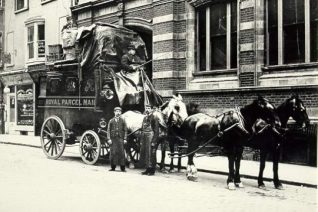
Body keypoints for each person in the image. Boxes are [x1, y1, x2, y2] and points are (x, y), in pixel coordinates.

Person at [140, 104, 160, 176]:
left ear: (151, 109)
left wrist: (154, 141)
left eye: (149, 108)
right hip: (145, 136)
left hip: (151, 136)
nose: (147, 109)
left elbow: (156, 130)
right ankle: (147, 169)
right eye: (146, 108)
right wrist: (142, 140)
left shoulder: (154, 117)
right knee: (146, 153)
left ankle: (152, 171)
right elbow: (142, 129)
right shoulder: (145, 118)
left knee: (151, 154)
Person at [107, 107, 127, 172]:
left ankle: (122, 168)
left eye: (119, 111)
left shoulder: (123, 120)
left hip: (120, 138)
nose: (118, 113)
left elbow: (125, 130)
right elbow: (108, 130)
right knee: (113, 152)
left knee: (121, 152)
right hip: (113, 139)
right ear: (114, 112)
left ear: (121, 113)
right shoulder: (111, 121)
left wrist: (125, 139)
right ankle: (113, 167)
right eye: (116, 111)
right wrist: (109, 139)